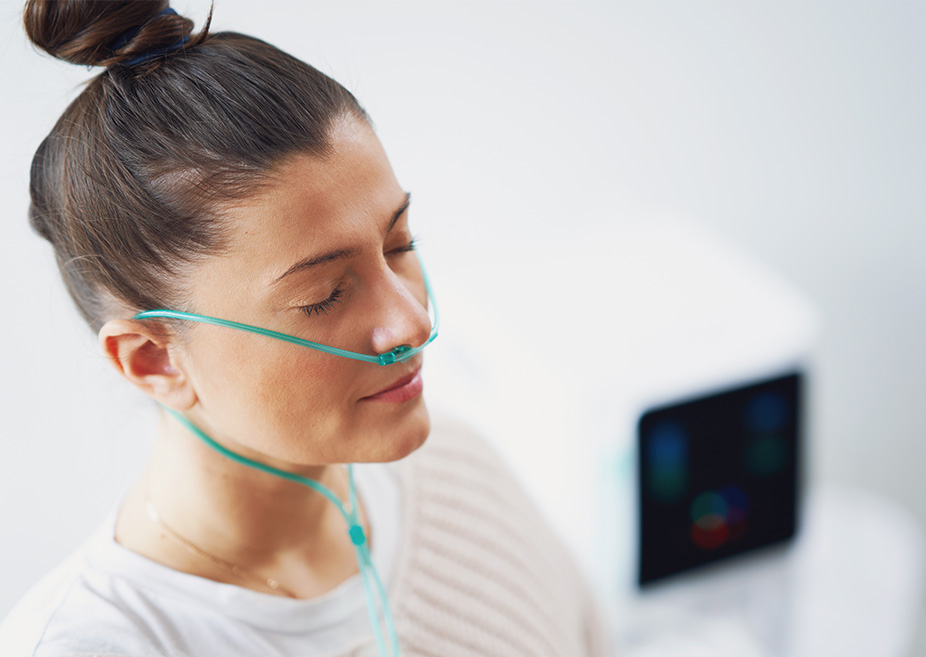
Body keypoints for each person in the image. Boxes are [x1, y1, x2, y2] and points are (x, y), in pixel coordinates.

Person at [0, 1, 613, 656]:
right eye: (324, 295)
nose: (414, 320)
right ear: (154, 360)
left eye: (400, 243)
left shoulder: (462, 476)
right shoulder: (89, 643)